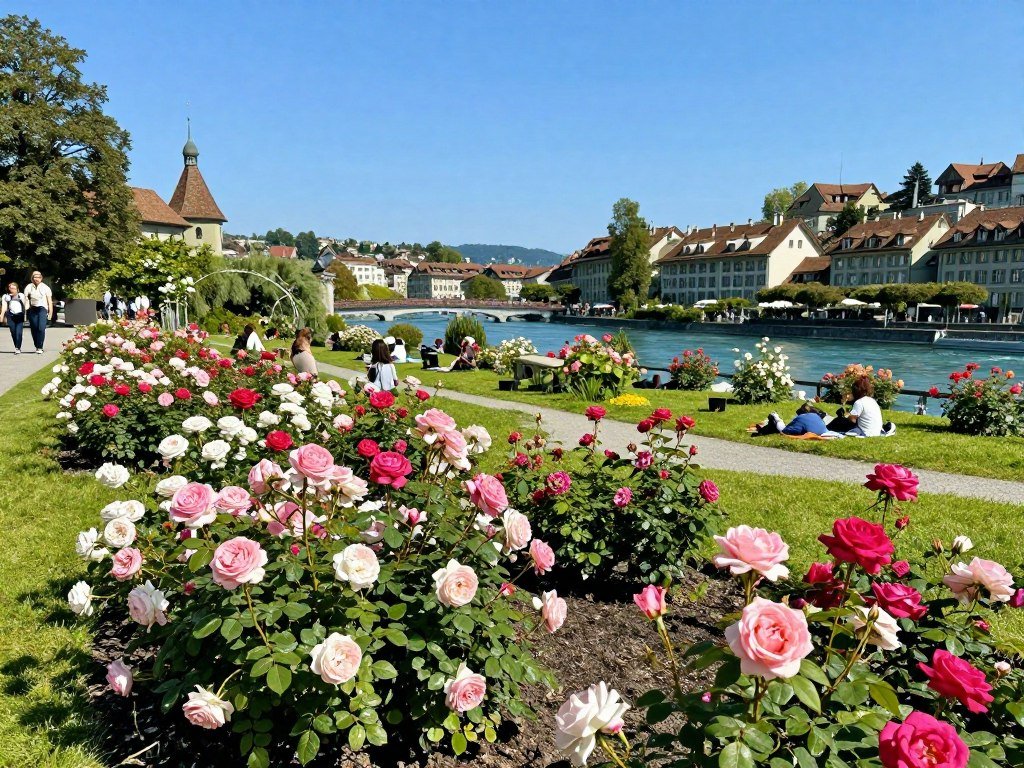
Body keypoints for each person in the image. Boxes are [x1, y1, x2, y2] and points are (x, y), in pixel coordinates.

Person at [752, 403, 829, 437]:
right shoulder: (816, 416)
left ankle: (776, 417)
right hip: (823, 431)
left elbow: (785, 431)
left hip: (813, 432)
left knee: (779, 423)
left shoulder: (800, 418)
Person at [24, 270, 52, 354]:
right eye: (35, 277)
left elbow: (49, 301)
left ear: (41, 278)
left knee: (41, 328)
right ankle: (37, 345)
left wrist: (50, 313)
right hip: (33, 309)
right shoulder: (29, 287)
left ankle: (40, 347)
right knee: (34, 328)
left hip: (42, 309)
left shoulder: (45, 287)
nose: (37, 279)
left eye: (38, 277)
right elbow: (25, 298)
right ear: (32, 278)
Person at [1, 282, 27, 354]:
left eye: (13, 288)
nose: (12, 289)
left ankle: (18, 348)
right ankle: (16, 345)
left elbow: (25, 305)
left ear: (17, 289)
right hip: (10, 315)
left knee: (19, 332)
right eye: (10, 288)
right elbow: (4, 307)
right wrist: (2, 315)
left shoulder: (20, 295)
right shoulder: (6, 296)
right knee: (13, 332)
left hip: (19, 315)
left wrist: (26, 315)